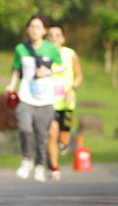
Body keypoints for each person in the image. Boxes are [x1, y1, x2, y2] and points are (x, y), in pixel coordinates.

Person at [5, 14, 63, 182]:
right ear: (27, 30)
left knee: (42, 136)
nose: (34, 30)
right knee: (24, 128)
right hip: (26, 96)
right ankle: (27, 159)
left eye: (38, 27)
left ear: (44, 30)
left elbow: (61, 66)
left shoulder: (51, 48)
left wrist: (48, 71)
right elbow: (17, 69)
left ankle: (39, 165)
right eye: (31, 27)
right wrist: (12, 85)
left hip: (45, 99)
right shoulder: (20, 48)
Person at [45, 25, 83, 180]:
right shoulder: (43, 55)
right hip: (49, 101)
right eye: (51, 35)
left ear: (63, 38)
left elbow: (79, 75)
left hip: (67, 102)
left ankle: (59, 147)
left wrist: (72, 89)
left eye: (57, 35)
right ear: (46, 38)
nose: (54, 37)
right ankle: (54, 167)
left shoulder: (70, 54)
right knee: (52, 131)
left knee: (63, 140)